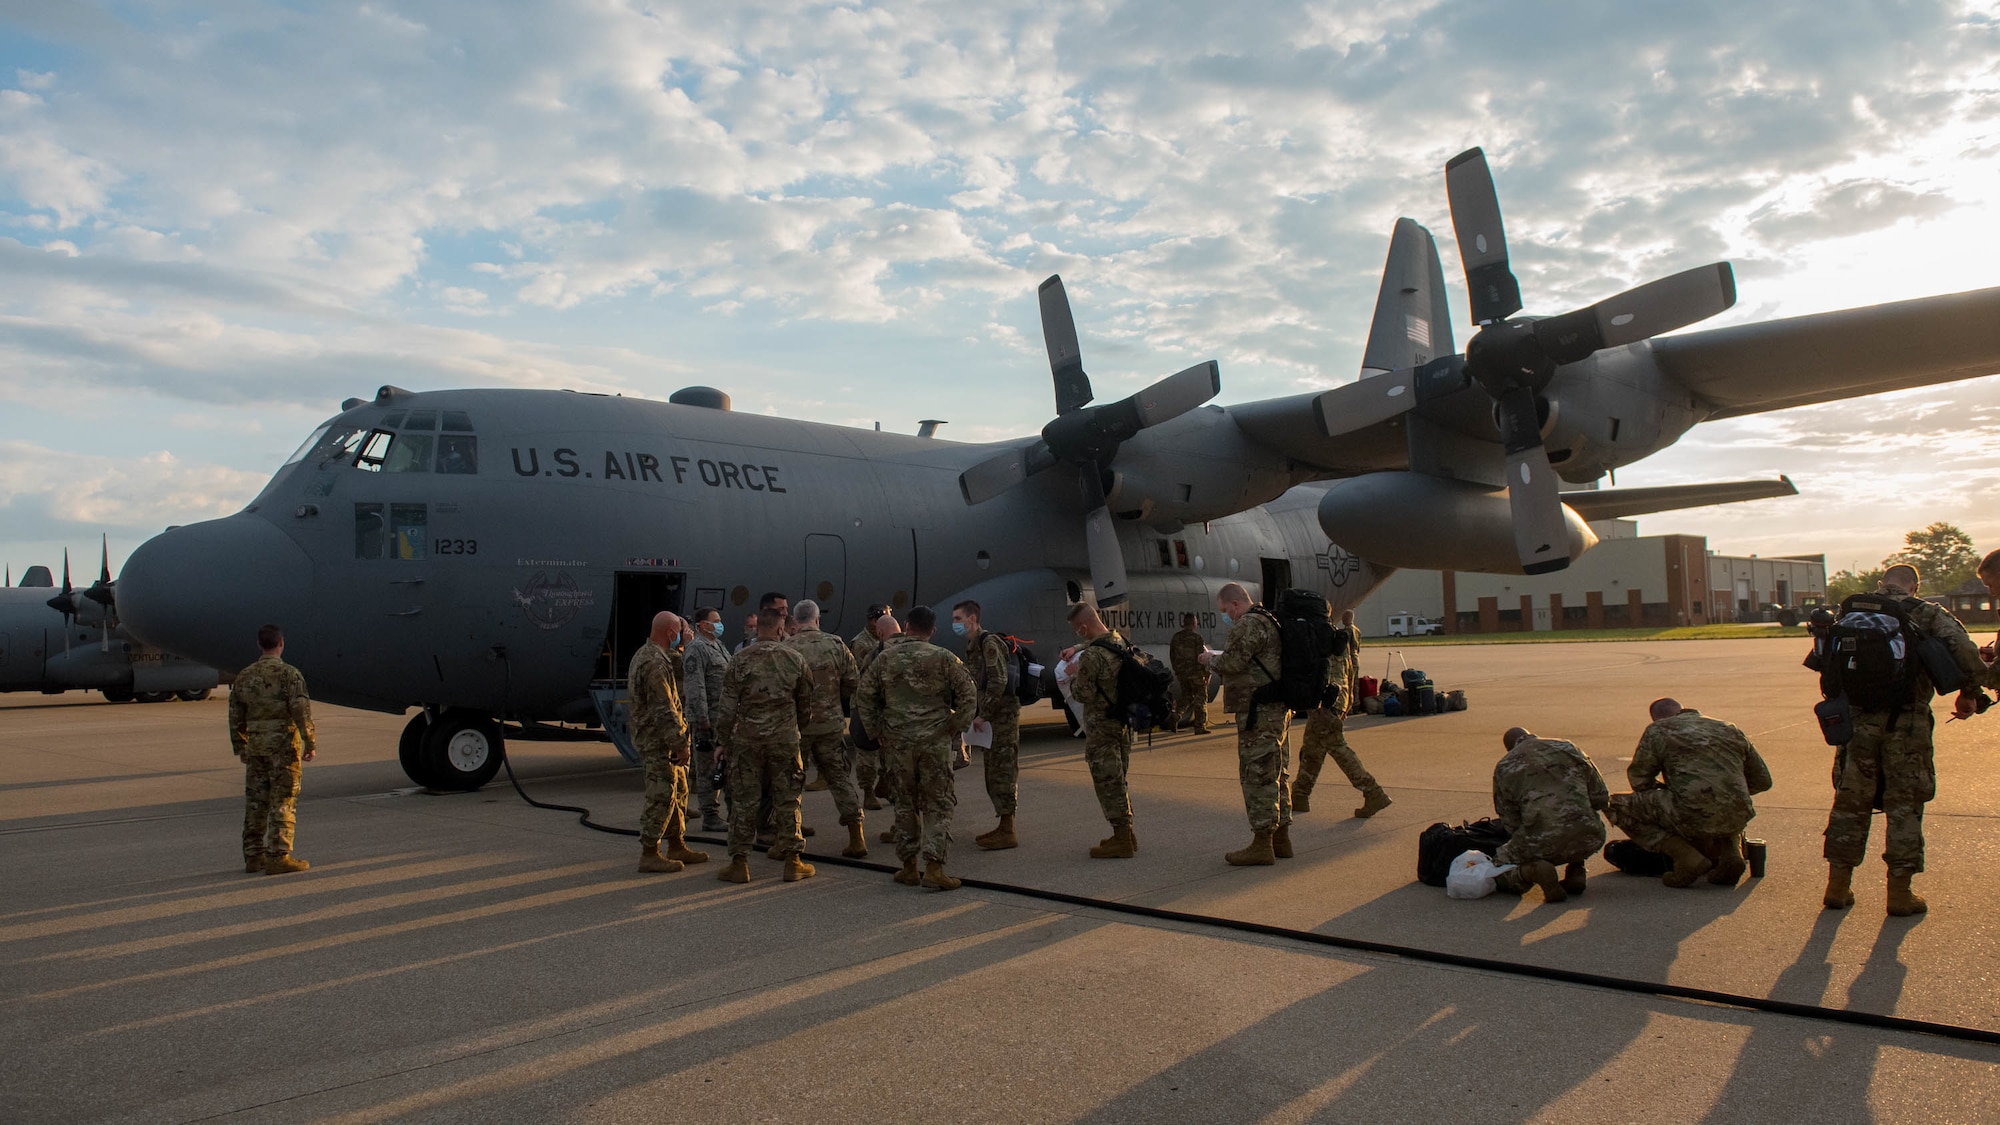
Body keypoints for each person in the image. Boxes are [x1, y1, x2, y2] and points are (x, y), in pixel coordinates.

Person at [1823, 564, 1986, 915]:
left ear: (1882, 584)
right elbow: (1964, 650)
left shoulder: (1849, 611)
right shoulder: (1926, 612)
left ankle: (1837, 886)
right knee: (1905, 805)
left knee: (1850, 802)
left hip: (1857, 722)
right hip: (1907, 724)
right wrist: (1969, 692)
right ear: (1914, 586)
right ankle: (1899, 893)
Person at [856, 605, 976, 890]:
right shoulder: (945, 658)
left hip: (898, 744)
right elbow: (969, 695)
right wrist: (955, 724)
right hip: (934, 743)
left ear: (907, 626)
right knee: (937, 803)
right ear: (932, 630)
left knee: (905, 805)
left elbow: (864, 695)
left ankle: (908, 867)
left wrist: (876, 731)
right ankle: (934, 868)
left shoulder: (884, 659)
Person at [1605, 698, 1771, 888]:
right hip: (1738, 813)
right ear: (1683, 710)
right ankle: (1732, 853)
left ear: (1656, 719)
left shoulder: (1658, 730)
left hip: (1692, 813)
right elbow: (1763, 781)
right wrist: (1724, 792)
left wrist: (1676, 793)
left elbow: (1639, 780)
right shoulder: (1728, 728)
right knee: (1724, 800)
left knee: (1615, 805)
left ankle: (1687, 857)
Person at [714, 607, 815, 884]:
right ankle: (793, 861)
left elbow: (726, 707)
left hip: (747, 741)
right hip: (784, 739)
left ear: (757, 629)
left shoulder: (740, 660)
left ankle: (739, 863)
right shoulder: (794, 659)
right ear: (781, 629)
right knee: (788, 799)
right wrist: (797, 729)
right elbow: (806, 704)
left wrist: (722, 742)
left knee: (745, 801)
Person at [1204, 583, 1294, 866]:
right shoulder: (1270, 621)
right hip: (1277, 708)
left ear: (1234, 605)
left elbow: (1231, 663)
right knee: (1277, 770)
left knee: (1257, 774)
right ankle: (1281, 838)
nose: (1225, 616)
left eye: (1224, 611)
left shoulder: (1247, 625)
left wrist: (1208, 659)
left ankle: (1261, 843)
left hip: (1259, 712)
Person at [229, 624, 316, 875]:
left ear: (259, 645)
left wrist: (241, 746)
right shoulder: (290, 675)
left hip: (256, 748)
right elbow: (301, 710)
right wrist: (310, 742)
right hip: (283, 748)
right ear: (281, 643)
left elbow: (235, 715)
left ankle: (254, 856)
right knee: (283, 800)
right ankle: (278, 856)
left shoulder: (244, 676)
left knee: (256, 802)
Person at [1293, 603, 1391, 820]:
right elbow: (1349, 670)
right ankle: (1300, 794)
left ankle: (1372, 791)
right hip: (1336, 698)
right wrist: (1348, 702)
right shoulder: (1336, 635)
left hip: (1324, 702)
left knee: (1337, 747)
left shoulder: (1315, 637)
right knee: (1312, 747)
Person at [1490, 727, 1609, 902]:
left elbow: (1510, 821)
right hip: (1591, 836)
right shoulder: (1568, 747)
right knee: (1574, 821)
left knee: (1498, 867)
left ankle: (1533, 872)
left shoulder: (1505, 766)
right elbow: (1600, 798)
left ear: (1509, 747)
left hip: (1543, 840)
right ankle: (1576, 868)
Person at [629, 611, 709, 873]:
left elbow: (679, 665)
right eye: (679, 633)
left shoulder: (656, 655)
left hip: (663, 739)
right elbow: (664, 709)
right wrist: (679, 743)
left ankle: (677, 843)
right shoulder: (653, 663)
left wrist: (684, 646)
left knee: (679, 791)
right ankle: (650, 852)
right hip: (658, 741)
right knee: (662, 794)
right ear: (670, 633)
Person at [789, 599, 868, 857]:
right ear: (817, 619)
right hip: (830, 725)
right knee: (839, 778)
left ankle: (790, 838)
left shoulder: (787, 647)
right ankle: (857, 836)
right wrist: (832, 699)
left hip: (797, 727)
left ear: (794, 620)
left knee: (791, 781)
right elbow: (853, 682)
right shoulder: (836, 644)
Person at [1067, 602, 1139, 859]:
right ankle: (1127, 833)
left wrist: (1075, 675)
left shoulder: (1091, 657)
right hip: (1123, 722)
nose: (1079, 635)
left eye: (1078, 631)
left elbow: (1083, 694)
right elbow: (1096, 643)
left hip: (1101, 725)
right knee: (1119, 778)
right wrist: (1076, 648)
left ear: (1084, 627)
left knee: (1108, 782)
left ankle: (1122, 838)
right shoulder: (1119, 642)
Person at [954, 599, 1023, 850]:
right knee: (993, 772)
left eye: (958, 619)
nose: (955, 624)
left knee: (1002, 771)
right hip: (992, 719)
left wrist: (985, 714)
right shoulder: (974, 645)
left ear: (972, 620)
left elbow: (998, 680)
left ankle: (1008, 830)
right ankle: (1004, 825)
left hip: (1001, 719)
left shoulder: (988, 643)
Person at [682, 607, 730, 832]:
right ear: (702, 625)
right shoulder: (696, 648)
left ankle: (727, 812)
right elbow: (694, 685)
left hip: (723, 719)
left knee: (724, 766)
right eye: (715, 621)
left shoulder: (718, 646)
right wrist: (701, 719)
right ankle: (710, 815)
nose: (719, 624)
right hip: (708, 719)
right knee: (706, 769)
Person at [1168, 613, 1211, 734]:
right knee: (1200, 698)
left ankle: (1177, 715)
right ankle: (1200, 726)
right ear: (1194, 623)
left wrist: (1178, 671)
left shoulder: (1175, 638)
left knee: (1187, 696)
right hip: (1196, 674)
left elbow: (1172, 656)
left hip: (1182, 674)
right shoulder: (1197, 638)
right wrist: (1207, 674)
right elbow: (1202, 658)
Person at [1338, 609, 1362, 712]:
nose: (1342, 620)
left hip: (1349, 659)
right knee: (1355, 683)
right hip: (1356, 657)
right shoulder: (1357, 630)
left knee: (1349, 683)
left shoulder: (1347, 631)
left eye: (1344, 618)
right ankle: (1356, 704)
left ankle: (1349, 707)